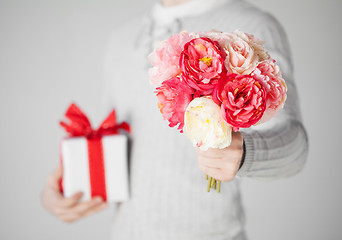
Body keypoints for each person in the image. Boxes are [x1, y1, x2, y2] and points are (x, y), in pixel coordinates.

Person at [41, 0, 308, 239]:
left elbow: (295, 149)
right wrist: (69, 187)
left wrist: (246, 153)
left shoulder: (253, 26)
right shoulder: (119, 39)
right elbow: (121, 144)